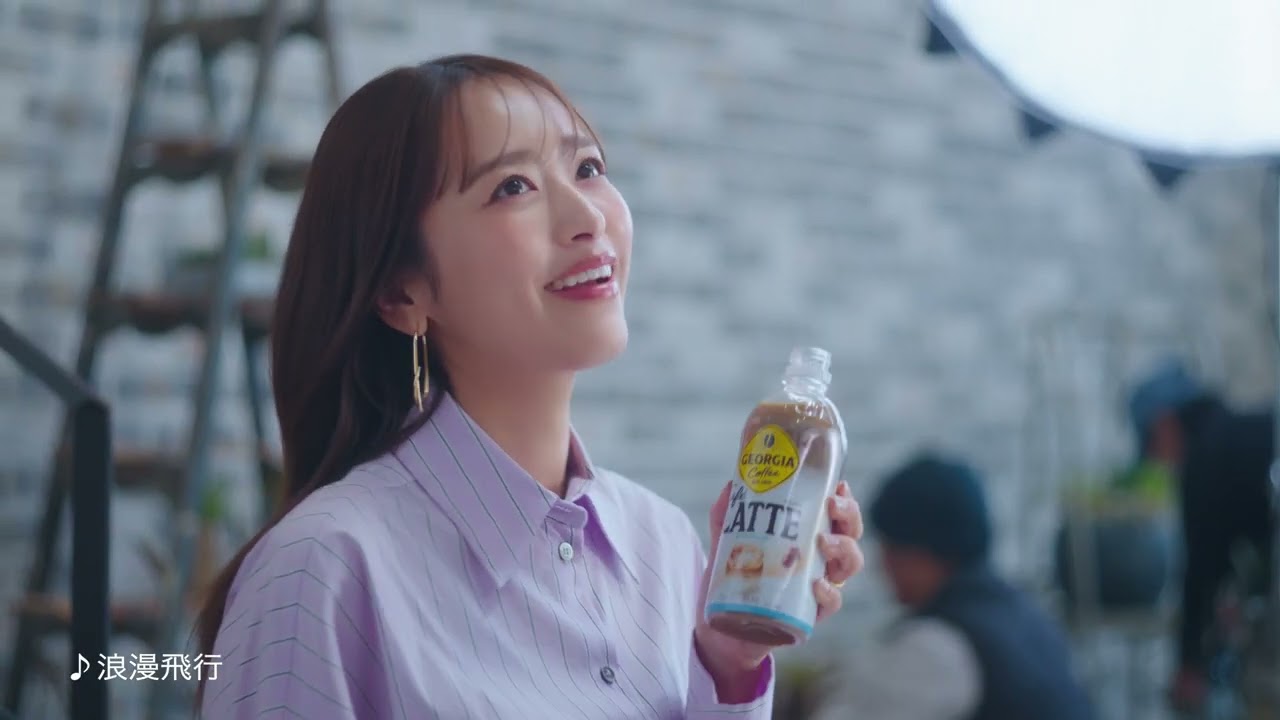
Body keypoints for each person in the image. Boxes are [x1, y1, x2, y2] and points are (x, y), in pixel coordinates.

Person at [192, 54, 866, 719]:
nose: (587, 217)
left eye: (588, 169)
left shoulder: (665, 543)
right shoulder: (322, 569)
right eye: (512, 186)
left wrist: (727, 663)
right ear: (402, 291)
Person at [817, 452, 1095, 720]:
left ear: (922, 550)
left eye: (890, 548)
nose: (882, 566)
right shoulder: (1029, 615)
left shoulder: (936, 645)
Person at [1126, 358, 1276, 709]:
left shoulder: (1204, 460)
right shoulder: (1243, 431)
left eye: (1153, 447)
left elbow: (1199, 571)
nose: (1162, 463)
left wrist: (1189, 664)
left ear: (1165, 426)